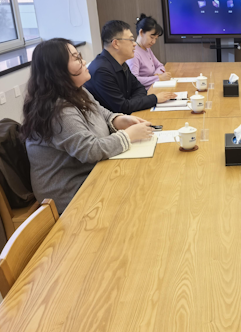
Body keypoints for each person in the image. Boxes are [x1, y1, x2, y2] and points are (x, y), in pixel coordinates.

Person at [21, 38, 155, 213]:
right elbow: (91, 150)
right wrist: (128, 135)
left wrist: (120, 120)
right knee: (141, 195)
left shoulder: (78, 91)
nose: (84, 62)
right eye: (76, 58)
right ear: (58, 70)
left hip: (92, 174)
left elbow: (102, 112)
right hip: (71, 194)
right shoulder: (58, 110)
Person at [84, 20, 175, 114]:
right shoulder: (101, 71)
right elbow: (122, 107)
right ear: (116, 44)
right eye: (131, 40)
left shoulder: (121, 63)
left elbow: (139, 88)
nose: (134, 44)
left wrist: (132, 103)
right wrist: (155, 98)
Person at [126, 14, 171, 90]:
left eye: (156, 38)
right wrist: (158, 78)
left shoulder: (147, 48)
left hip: (153, 87)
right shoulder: (134, 53)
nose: (153, 42)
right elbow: (133, 80)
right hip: (143, 92)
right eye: (151, 37)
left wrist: (157, 74)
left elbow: (160, 66)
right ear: (141, 32)